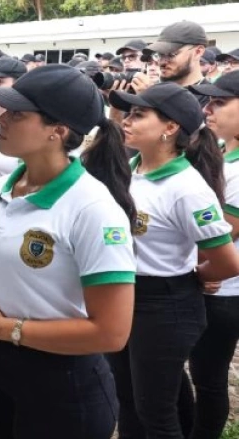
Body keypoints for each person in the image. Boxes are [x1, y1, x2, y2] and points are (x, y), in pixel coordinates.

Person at [0, 65, 138, 439]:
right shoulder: (3, 187)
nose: (1, 119)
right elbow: (7, 278)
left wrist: (7, 329)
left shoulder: (92, 209)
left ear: (58, 130)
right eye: (4, 109)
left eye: (17, 113)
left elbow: (111, 333)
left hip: (61, 382)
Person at [108, 83, 239, 439]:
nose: (128, 121)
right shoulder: (131, 168)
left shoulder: (186, 187)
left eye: (139, 114)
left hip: (165, 304)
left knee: (155, 412)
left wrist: (194, 277)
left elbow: (227, 262)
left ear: (170, 129)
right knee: (129, 399)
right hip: (125, 295)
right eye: (129, 114)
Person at [187, 72, 239, 439]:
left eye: (220, 103)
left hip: (223, 290)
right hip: (210, 280)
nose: (208, 109)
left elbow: (225, 232)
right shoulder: (223, 151)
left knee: (208, 378)